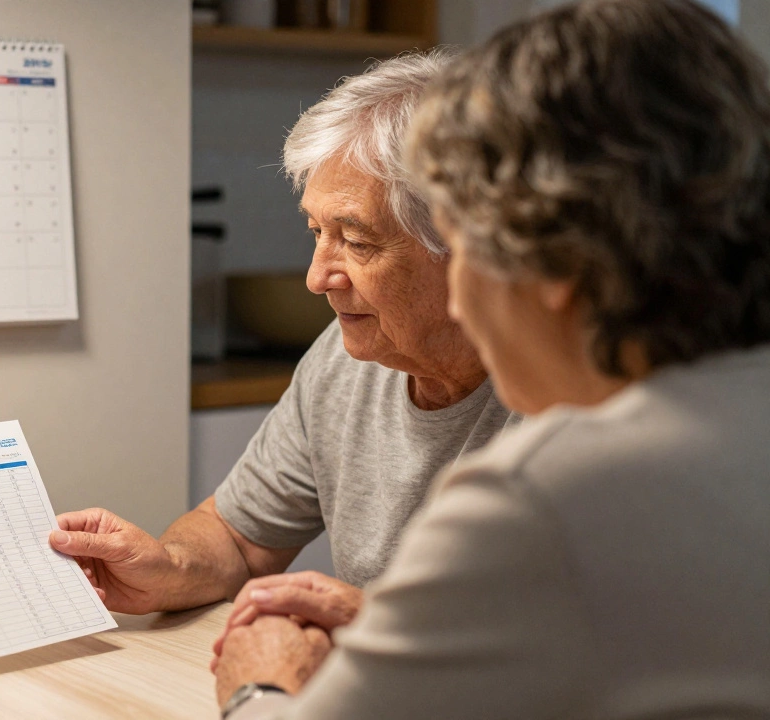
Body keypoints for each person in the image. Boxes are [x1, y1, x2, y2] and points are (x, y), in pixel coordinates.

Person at [211, 0, 770, 717]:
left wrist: (259, 684)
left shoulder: (549, 494)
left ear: (556, 263)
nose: (464, 295)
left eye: (468, 240)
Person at [49, 48, 519, 634]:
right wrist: (167, 567)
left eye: (357, 241)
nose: (317, 276)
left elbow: (602, 643)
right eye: (317, 232)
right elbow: (239, 539)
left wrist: (363, 620)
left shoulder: (575, 392)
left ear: (467, 248)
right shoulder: (345, 361)